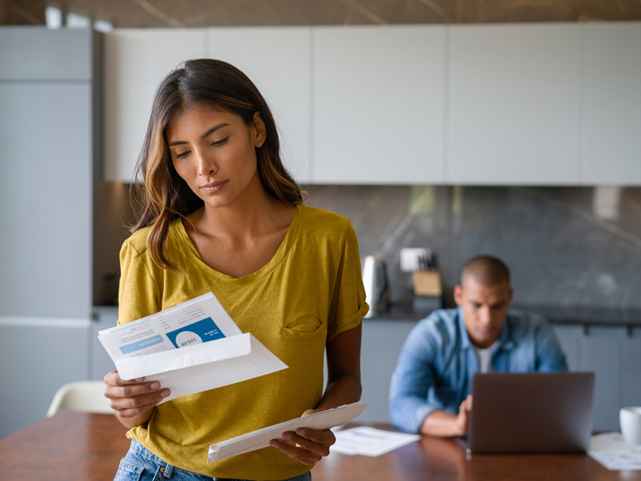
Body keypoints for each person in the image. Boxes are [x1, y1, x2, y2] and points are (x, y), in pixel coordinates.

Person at [103, 58, 368, 481]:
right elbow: (140, 410)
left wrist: (321, 423)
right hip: (163, 471)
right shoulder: (147, 252)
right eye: (182, 153)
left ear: (257, 131)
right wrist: (127, 400)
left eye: (218, 140)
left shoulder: (328, 240)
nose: (203, 167)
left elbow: (348, 379)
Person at [389, 255, 567, 437]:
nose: (486, 319)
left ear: (509, 297)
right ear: (459, 296)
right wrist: (456, 426)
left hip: (518, 441)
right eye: (476, 305)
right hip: (448, 443)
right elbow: (402, 403)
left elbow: (560, 401)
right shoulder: (432, 334)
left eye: (497, 306)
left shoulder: (537, 333)